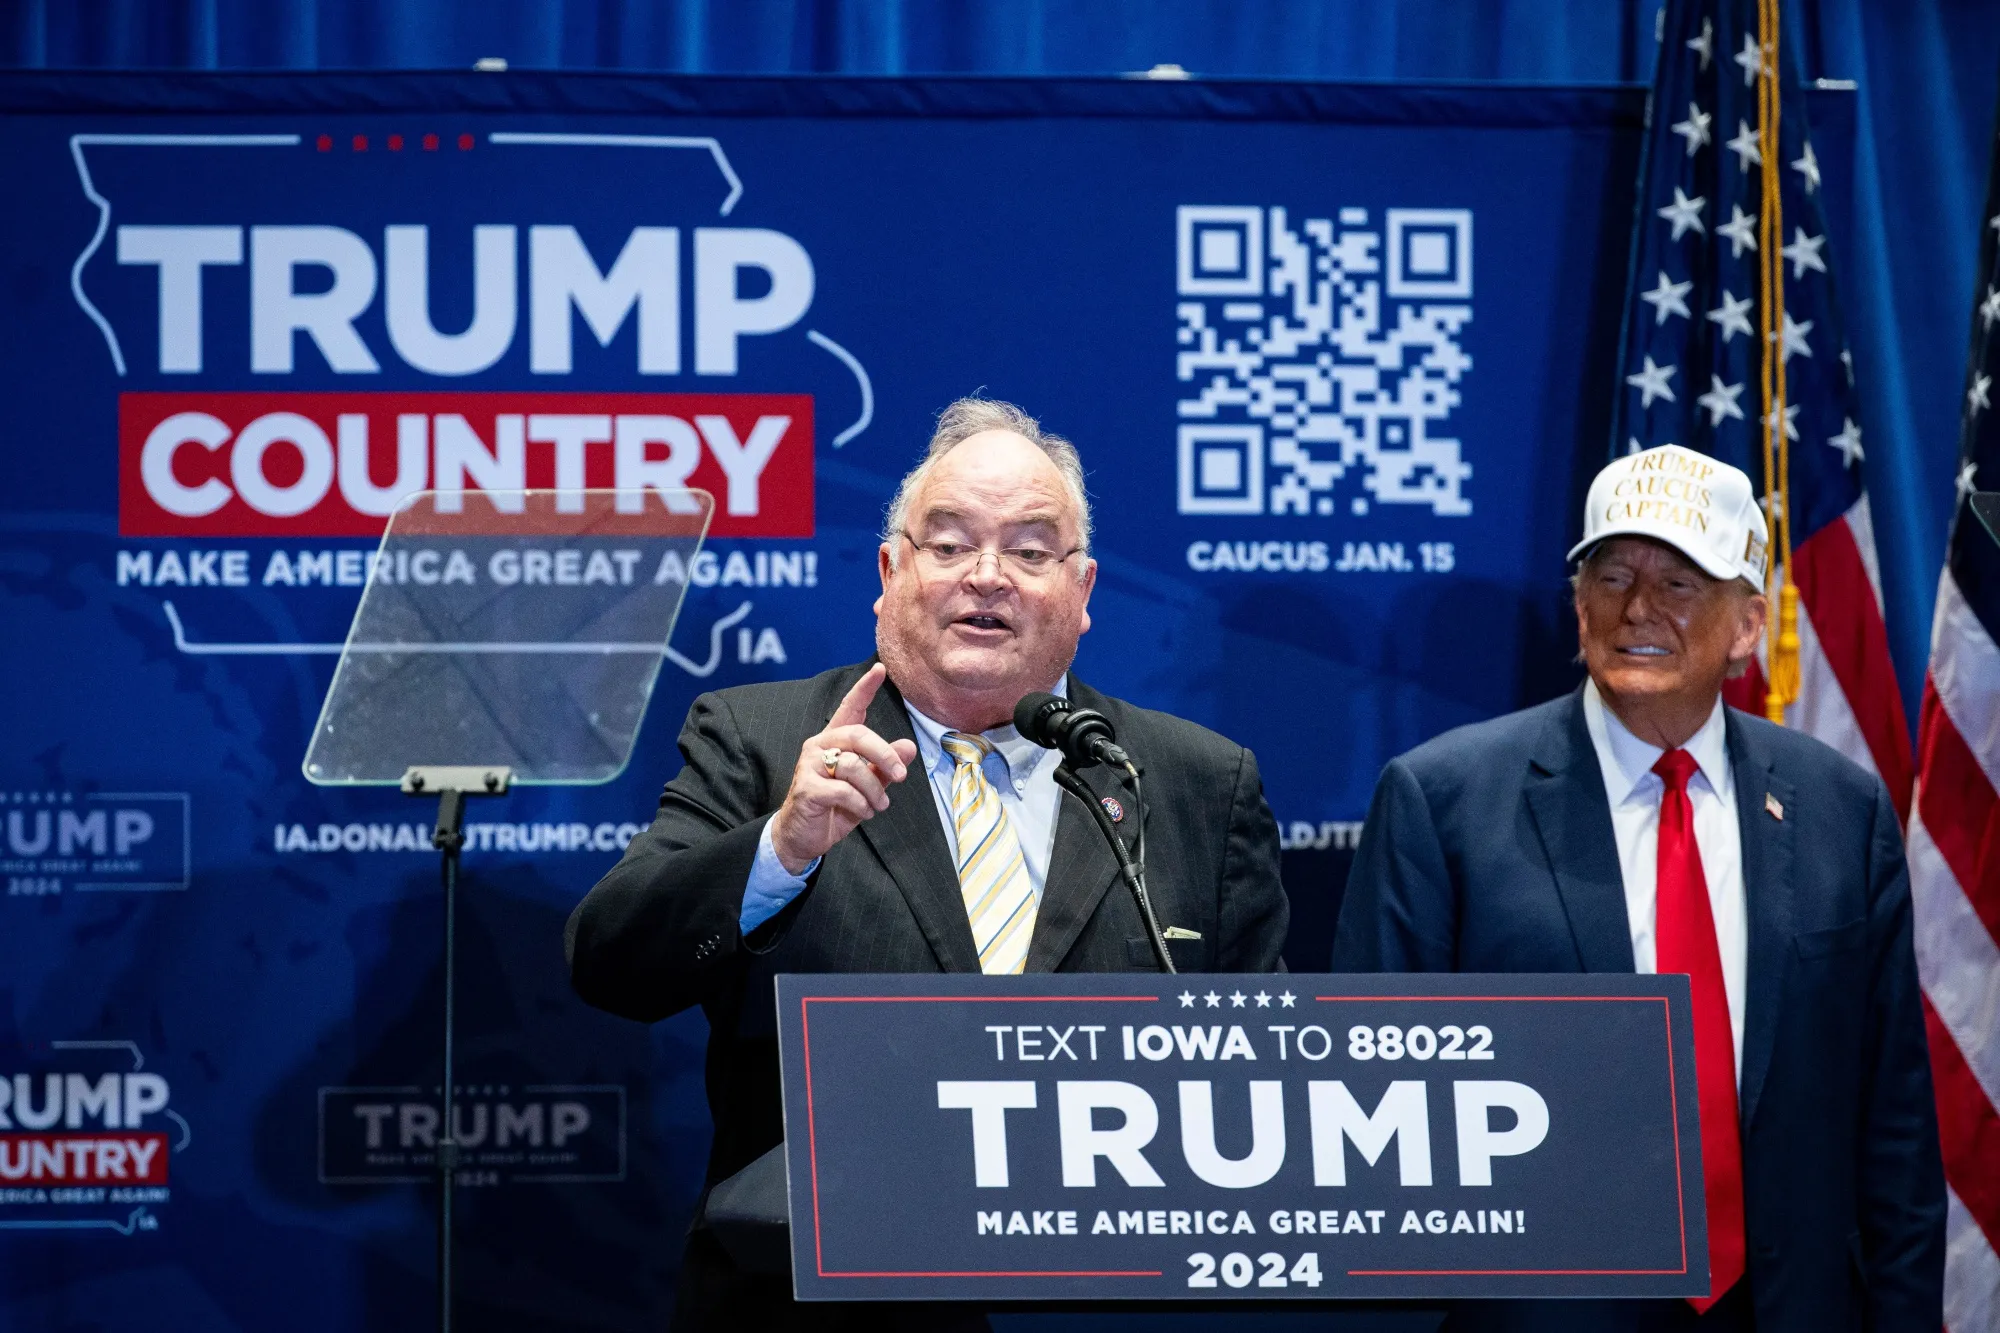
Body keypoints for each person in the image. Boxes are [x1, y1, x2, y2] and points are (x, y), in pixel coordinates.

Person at [568, 396, 1289, 1329]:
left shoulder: (1193, 780)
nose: (986, 576)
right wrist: (783, 846)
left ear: (1083, 590)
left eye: (1031, 551)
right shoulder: (764, 742)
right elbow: (611, 963)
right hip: (824, 1300)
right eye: (948, 544)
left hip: (1104, 1305)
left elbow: (1266, 1080)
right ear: (890, 572)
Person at [1332, 444, 1943, 1332]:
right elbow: (1374, 1112)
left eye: (1679, 583)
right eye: (1612, 577)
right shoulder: (1443, 802)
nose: (1637, 608)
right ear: (1579, 608)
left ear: (1748, 624)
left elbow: (1896, 1126)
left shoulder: (1841, 809)